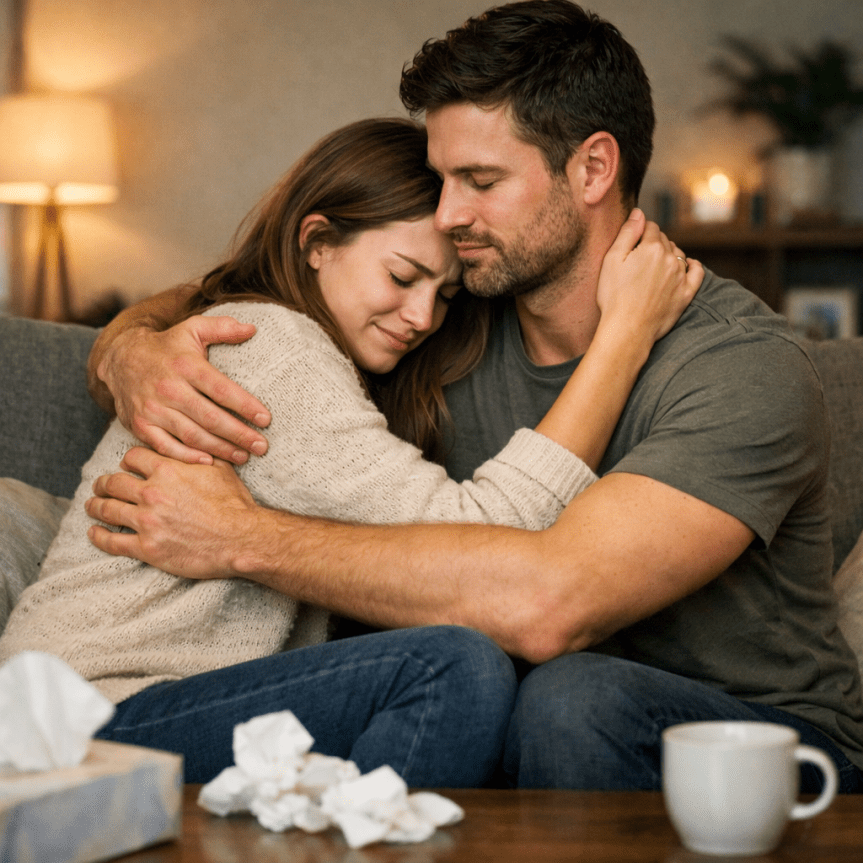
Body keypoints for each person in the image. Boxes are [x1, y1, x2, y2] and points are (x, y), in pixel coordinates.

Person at [81, 0, 863, 792]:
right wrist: (129, 346)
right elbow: (275, 292)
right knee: (516, 687)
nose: (448, 215)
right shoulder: (450, 313)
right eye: (442, 180)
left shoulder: (738, 365)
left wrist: (241, 536)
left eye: (480, 181)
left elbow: (550, 608)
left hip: (763, 741)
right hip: (499, 699)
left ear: (592, 168)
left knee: (565, 693)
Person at [0, 116, 698, 786]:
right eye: (401, 277)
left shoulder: (304, 346)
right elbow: (497, 535)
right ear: (317, 242)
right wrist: (624, 337)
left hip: (145, 704)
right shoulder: (271, 349)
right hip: (86, 717)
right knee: (451, 666)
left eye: (444, 295)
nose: (422, 317)